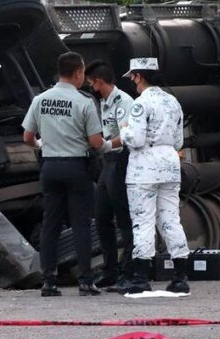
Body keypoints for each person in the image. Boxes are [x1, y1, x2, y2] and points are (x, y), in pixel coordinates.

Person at [22, 52, 112, 297]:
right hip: (76, 168)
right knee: (81, 224)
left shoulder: (41, 99)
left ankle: (48, 282)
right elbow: (95, 142)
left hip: (50, 168)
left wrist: (44, 146)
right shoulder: (83, 102)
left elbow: (28, 138)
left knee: (50, 224)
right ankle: (85, 282)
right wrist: (110, 145)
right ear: (79, 73)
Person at [112, 57, 190, 295]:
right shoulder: (173, 102)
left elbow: (135, 139)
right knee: (170, 219)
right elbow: (178, 140)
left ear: (138, 76)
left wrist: (124, 129)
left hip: (143, 168)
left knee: (143, 221)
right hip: (170, 164)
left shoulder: (140, 104)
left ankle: (141, 278)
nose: (132, 82)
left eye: (133, 77)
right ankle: (181, 277)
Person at [84, 60, 135, 291]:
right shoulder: (103, 102)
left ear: (99, 81)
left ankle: (129, 271)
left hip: (121, 160)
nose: (90, 88)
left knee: (124, 218)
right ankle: (111, 270)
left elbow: (125, 135)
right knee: (102, 216)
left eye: (91, 83)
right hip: (108, 163)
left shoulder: (123, 101)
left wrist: (104, 145)